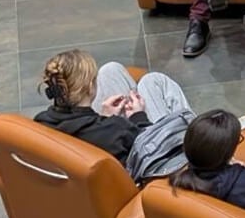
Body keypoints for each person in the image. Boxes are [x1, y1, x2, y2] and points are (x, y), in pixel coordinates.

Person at [34, 49, 192, 165]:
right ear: (90, 87)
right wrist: (138, 117)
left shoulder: (41, 122)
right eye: (95, 79)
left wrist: (103, 118)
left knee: (110, 70)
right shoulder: (118, 130)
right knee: (154, 81)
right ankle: (201, 139)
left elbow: (95, 131)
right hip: (157, 160)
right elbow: (153, 146)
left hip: (86, 162)